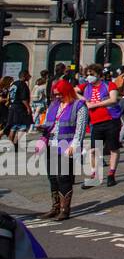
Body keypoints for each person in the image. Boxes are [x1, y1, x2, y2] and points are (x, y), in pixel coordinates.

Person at [39, 79, 86, 221]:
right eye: (55, 94)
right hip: (51, 143)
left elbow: (80, 129)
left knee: (64, 177)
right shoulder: (54, 105)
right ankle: (55, 207)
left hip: (67, 145)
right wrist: (42, 128)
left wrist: (74, 145)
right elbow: (48, 122)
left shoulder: (79, 106)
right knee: (52, 177)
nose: (58, 97)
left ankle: (65, 210)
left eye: (60, 94)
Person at [79, 64, 121, 189]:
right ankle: (94, 175)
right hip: (95, 122)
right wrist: (85, 101)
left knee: (113, 148)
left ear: (99, 75)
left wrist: (95, 104)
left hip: (110, 120)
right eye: (87, 75)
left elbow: (113, 99)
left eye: (92, 74)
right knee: (93, 150)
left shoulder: (109, 85)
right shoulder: (86, 87)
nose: (89, 77)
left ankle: (111, 174)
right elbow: (72, 91)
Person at [5, 71, 31, 146]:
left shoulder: (14, 84)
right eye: (28, 75)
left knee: (13, 126)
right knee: (22, 127)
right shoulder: (23, 85)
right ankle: (17, 144)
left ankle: (10, 145)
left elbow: (9, 96)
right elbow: (24, 99)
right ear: (24, 76)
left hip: (12, 107)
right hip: (20, 108)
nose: (30, 76)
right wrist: (28, 108)